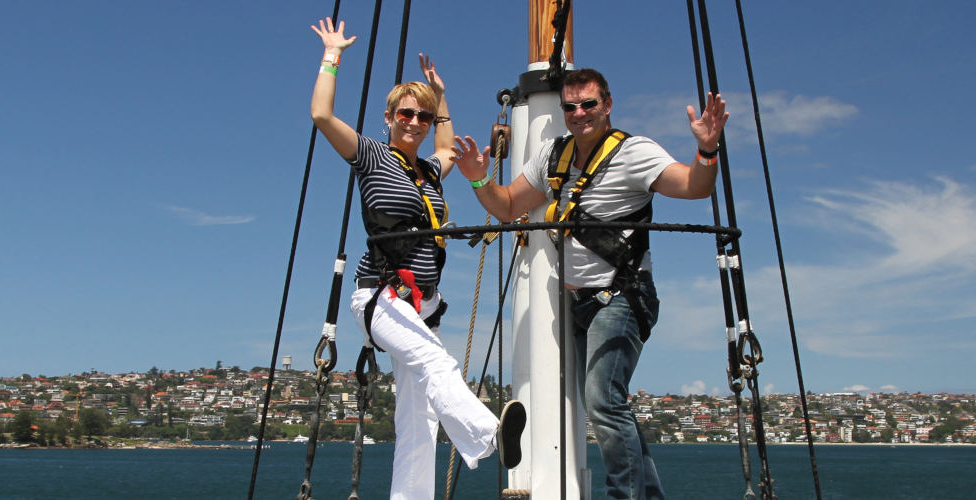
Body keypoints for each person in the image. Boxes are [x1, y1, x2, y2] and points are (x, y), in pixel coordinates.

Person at [451, 68, 728, 499]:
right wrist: (478, 179)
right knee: (609, 404)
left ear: (608, 105)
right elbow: (506, 207)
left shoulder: (635, 153)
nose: (579, 113)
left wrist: (707, 149)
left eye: (589, 104)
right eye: (570, 106)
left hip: (622, 297)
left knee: (601, 401)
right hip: (578, 304)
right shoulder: (552, 157)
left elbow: (694, 187)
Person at [308, 17, 525, 500]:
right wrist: (332, 55)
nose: (414, 123)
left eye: (423, 118)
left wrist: (438, 95)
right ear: (389, 118)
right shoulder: (370, 156)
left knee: (419, 419)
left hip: (425, 303)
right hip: (381, 297)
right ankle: (489, 434)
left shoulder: (430, 170)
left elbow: (448, 146)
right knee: (434, 361)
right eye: (406, 114)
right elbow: (322, 116)